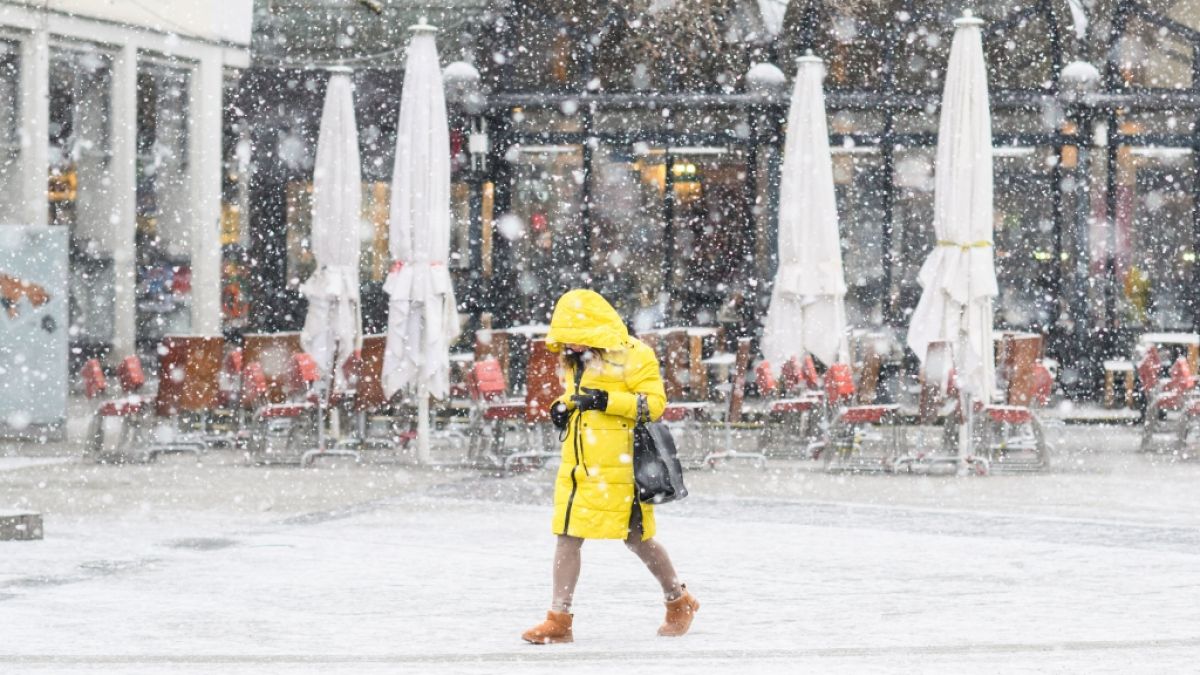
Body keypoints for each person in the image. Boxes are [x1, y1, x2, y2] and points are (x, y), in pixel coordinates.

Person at [521, 289, 699, 644]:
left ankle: (678, 599)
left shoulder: (635, 356)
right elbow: (575, 398)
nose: (567, 347)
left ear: (592, 332)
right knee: (567, 537)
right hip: (579, 466)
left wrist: (606, 400)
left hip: (622, 470)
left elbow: (655, 405)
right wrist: (562, 407)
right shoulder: (577, 360)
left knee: (639, 539)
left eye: (572, 339)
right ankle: (559, 619)